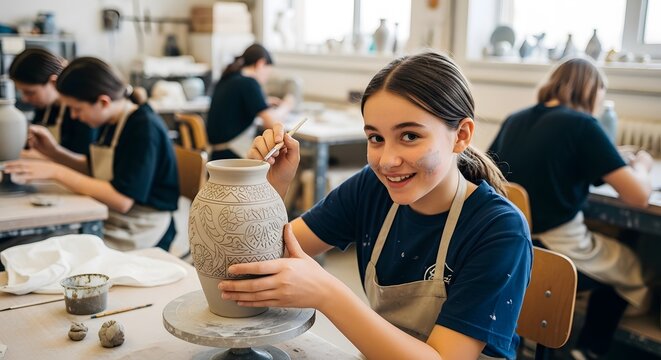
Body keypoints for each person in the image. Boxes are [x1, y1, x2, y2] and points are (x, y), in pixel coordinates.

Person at [219, 52, 532, 359]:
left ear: (460, 136)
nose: (387, 161)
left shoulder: (499, 230)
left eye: (409, 136)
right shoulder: (373, 188)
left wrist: (328, 293)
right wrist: (268, 187)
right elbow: (260, 261)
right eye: (375, 138)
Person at [488, 57, 653, 360]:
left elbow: (487, 176)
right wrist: (641, 164)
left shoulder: (515, 119)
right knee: (635, 264)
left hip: (510, 248)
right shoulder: (583, 125)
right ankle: (591, 349)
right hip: (556, 251)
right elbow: (639, 196)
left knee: (613, 256)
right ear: (592, 92)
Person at [5, 57, 180, 251]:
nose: (73, 116)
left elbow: (121, 200)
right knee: (31, 244)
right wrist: (53, 152)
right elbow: (93, 168)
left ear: (103, 101)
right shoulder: (111, 122)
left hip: (141, 225)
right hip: (113, 215)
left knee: (47, 249)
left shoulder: (143, 127)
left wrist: (56, 171)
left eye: (76, 109)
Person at [9, 48, 98, 170]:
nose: (25, 99)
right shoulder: (44, 107)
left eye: (30, 92)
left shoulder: (81, 111)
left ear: (53, 82)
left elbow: (86, 164)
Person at [206, 43, 295, 160]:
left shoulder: (229, 77)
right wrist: (287, 105)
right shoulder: (249, 83)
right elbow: (272, 122)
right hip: (230, 156)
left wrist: (264, 102)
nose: (266, 78)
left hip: (216, 156)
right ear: (261, 63)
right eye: (268, 72)